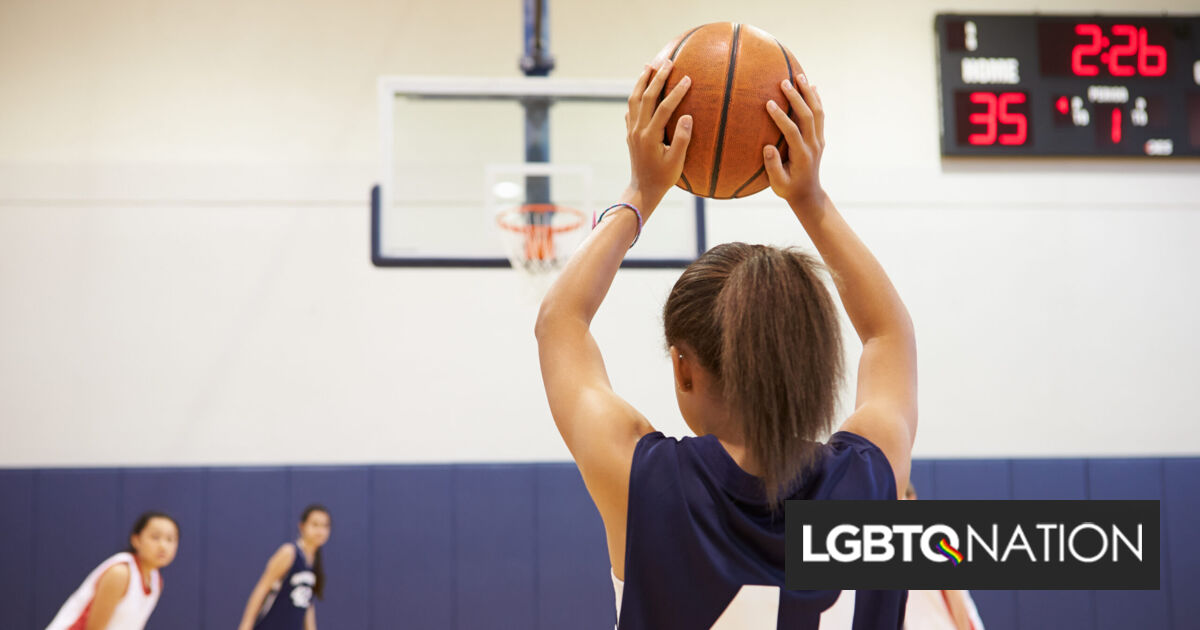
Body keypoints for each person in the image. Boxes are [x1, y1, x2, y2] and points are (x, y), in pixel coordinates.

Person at [534, 58, 917, 629]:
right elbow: (888, 333)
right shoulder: (872, 472)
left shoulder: (641, 480)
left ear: (683, 368)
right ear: (815, 362)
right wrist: (810, 197)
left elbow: (560, 322)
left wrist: (643, 188)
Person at [45, 511, 179, 630]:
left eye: (170, 539)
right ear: (136, 540)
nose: (163, 546)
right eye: (155, 537)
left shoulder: (156, 581)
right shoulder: (120, 573)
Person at [238, 505, 331, 630]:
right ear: (302, 526)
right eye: (315, 525)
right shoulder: (289, 553)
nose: (320, 531)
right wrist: (245, 627)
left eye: (325, 526)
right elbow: (261, 589)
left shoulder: (313, 562)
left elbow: (307, 605)